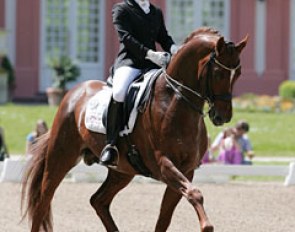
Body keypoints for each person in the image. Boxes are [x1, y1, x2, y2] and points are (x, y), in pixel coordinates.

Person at [100, 0, 180, 166]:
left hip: (153, 65)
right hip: (129, 63)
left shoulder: (155, 12)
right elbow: (126, 38)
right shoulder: (121, 9)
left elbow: (163, 36)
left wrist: (173, 48)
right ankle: (111, 144)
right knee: (119, 92)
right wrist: (150, 54)